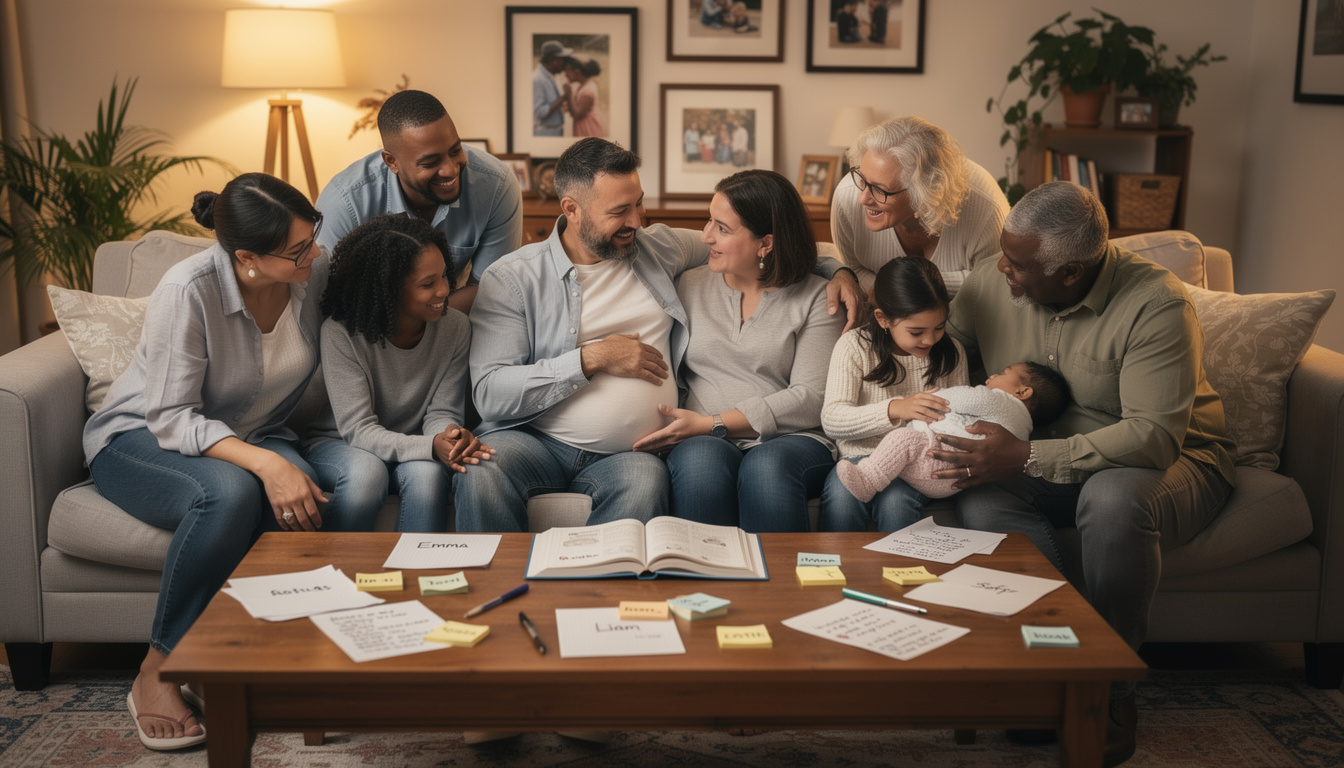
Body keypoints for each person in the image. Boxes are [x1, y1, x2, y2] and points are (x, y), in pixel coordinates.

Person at [935, 181, 1237, 766]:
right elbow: (941, 357)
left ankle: (1108, 689)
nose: (1002, 270)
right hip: (1040, 455)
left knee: (1113, 500)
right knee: (978, 492)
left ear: (1070, 273)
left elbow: (1152, 437)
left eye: (1018, 265)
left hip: (1167, 462)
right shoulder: (991, 282)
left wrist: (1023, 457)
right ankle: (1044, 668)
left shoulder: (1156, 303)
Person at [457, 137, 863, 533]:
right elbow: (491, 393)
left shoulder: (659, 247)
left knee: (646, 483)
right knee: (483, 469)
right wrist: (591, 358)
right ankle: (498, 591)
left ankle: (603, 593)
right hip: (537, 440)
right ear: (572, 209)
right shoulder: (513, 278)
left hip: (629, 454)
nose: (637, 221)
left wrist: (838, 271)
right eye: (620, 211)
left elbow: (767, 247)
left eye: (639, 203)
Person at [82, 174, 331, 750]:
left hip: (250, 433)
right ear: (247, 257)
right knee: (230, 492)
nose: (314, 253)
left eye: (312, 237)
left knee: (307, 496)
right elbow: (170, 417)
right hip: (141, 438)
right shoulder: (186, 289)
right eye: (298, 250)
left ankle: (243, 660)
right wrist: (268, 465)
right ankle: (155, 671)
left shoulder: (307, 276)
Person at [632, 170, 845, 531]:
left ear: (766, 244)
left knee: (767, 469)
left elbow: (812, 397)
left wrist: (713, 422)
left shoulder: (816, 298)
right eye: (709, 221)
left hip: (793, 439)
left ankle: (781, 585)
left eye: (722, 229)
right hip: (700, 438)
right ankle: (704, 580)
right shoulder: (687, 284)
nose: (706, 236)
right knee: (700, 467)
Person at [304, 215, 493, 533]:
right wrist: (430, 446)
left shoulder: (456, 328)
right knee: (366, 475)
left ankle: (422, 574)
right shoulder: (341, 333)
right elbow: (359, 431)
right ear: (388, 290)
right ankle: (341, 573)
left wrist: (447, 437)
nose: (445, 291)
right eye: (428, 284)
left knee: (429, 477)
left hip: (418, 440)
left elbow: (442, 411)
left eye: (445, 276)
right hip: (341, 442)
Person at [315, 90, 522, 314]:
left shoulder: (496, 185)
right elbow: (333, 297)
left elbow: (491, 288)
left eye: (455, 151)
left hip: (457, 322)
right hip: (369, 330)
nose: (451, 169)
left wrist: (419, 319)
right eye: (430, 162)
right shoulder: (344, 203)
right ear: (391, 162)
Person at [818, 257, 968, 533]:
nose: (930, 340)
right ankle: (835, 571)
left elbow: (961, 419)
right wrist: (896, 409)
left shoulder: (951, 352)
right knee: (842, 498)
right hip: (859, 457)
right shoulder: (855, 347)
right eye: (916, 332)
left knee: (897, 503)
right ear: (883, 319)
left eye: (939, 327)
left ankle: (903, 574)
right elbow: (832, 420)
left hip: (919, 465)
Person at [838, 362, 1070, 503]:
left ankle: (867, 481)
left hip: (935, 458)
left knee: (902, 440)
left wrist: (925, 398)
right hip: (951, 484)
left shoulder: (999, 401)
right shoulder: (1022, 432)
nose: (991, 377)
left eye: (1003, 373)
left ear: (1022, 392)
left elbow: (957, 397)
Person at [831, 115, 1009, 298]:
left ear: (923, 195)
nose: (863, 198)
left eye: (879, 190)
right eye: (862, 179)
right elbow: (851, 269)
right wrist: (893, 291)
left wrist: (907, 285)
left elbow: (995, 282)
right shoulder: (847, 198)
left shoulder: (986, 207)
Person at [532, 40, 571, 136]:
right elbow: (540, 112)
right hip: (545, 134)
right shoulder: (538, 79)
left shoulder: (547, 77)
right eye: (563, 59)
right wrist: (563, 97)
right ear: (554, 61)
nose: (564, 63)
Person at [563, 57, 605, 138]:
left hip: (589, 129)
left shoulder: (588, 90)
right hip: (584, 128)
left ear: (576, 72)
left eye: (567, 71)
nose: (565, 74)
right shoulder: (584, 85)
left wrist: (569, 94)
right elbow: (574, 106)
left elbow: (577, 113)